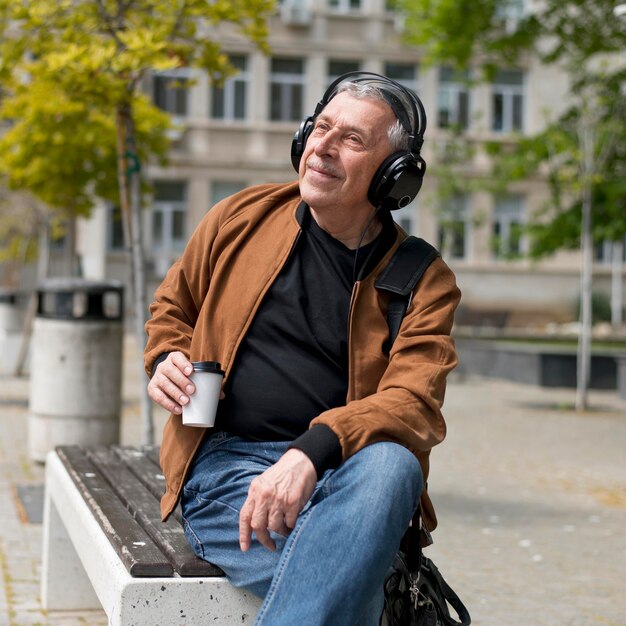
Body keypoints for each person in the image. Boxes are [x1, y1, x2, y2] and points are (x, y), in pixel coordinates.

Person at [144, 72, 461, 625]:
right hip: (226, 467)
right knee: (362, 582)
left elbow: (413, 404)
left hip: (346, 478)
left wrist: (312, 451)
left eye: (352, 140)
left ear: (394, 177)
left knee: (393, 464)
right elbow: (173, 305)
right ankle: (378, 579)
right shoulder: (240, 217)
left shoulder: (424, 280)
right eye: (321, 127)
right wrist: (164, 357)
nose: (323, 146)